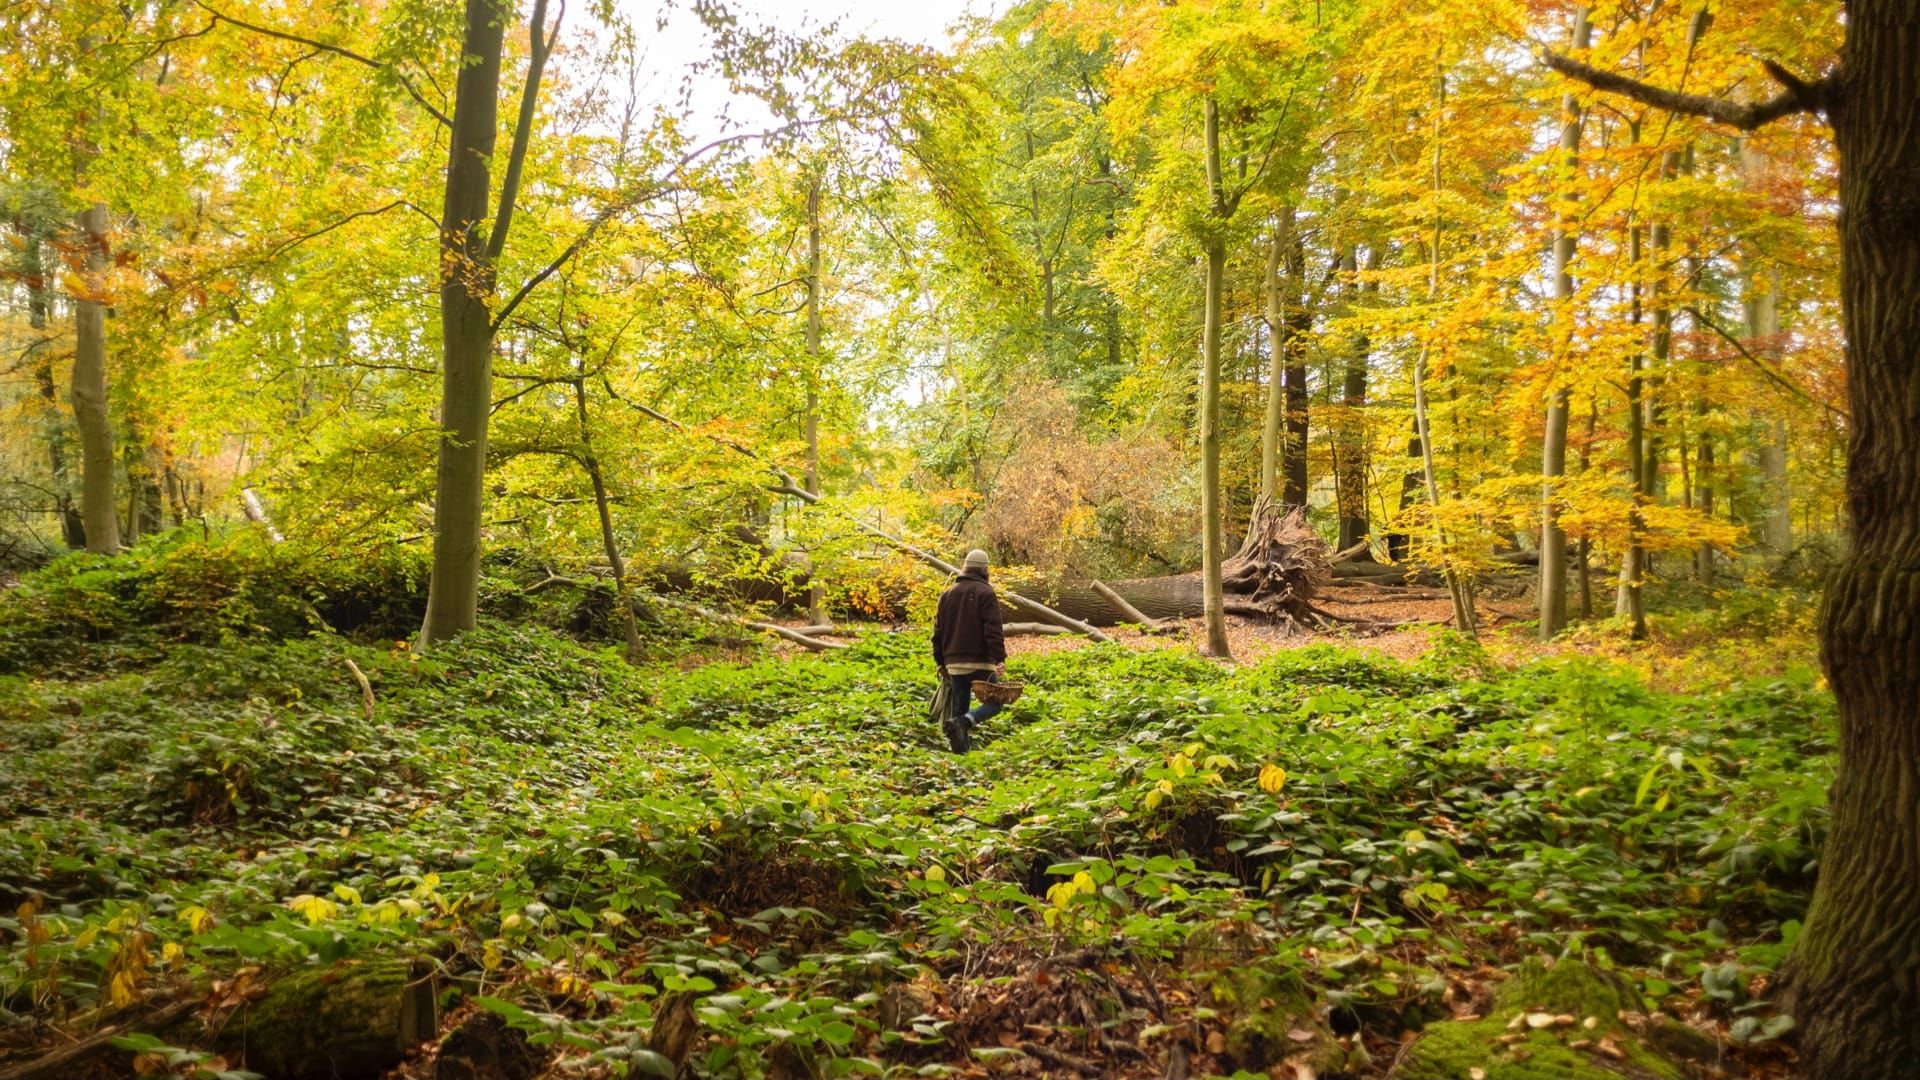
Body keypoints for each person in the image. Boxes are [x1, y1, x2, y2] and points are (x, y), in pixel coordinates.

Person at [932, 548, 1006, 753]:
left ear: (965, 568)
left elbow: (937, 634)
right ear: (985, 570)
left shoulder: (946, 596)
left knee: (958, 710)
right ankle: (966, 722)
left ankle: (960, 755)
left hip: (954, 664)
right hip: (981, 664)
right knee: (996, 703)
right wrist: (999, 658)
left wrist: (941, 662)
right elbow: (993, 629)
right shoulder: (986, 593)